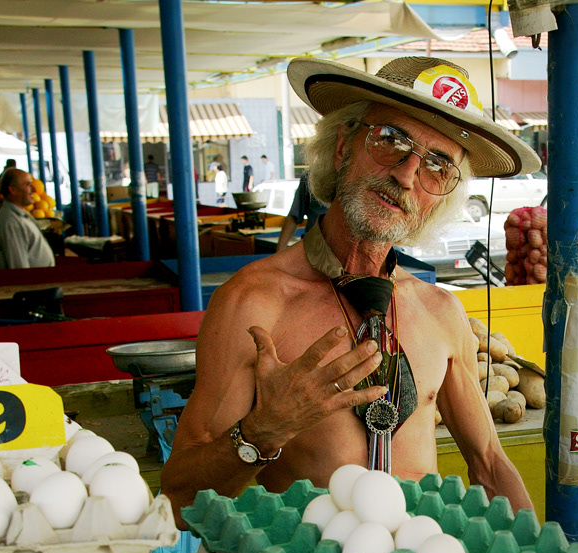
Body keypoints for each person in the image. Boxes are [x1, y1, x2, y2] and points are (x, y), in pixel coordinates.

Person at [162, 56, 540, 515]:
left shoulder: (442, 312)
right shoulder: (253, 304)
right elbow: (181, 501)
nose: (407, 174)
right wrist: (264, 430)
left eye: (437, 165)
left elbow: (490, 465)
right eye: (391, 139)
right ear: (343, 146)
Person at [0, 168, 55, 270]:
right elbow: (19, 269)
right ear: (12, 190)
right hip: (33, 280)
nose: (34, 189)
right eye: (28, 184)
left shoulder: (20, 216)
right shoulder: (11, 223)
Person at [275, 172, 328, 251]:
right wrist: (279, 252)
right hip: (313, 247)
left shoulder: (347, 180)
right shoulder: (310, 177)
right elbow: (294, 216)